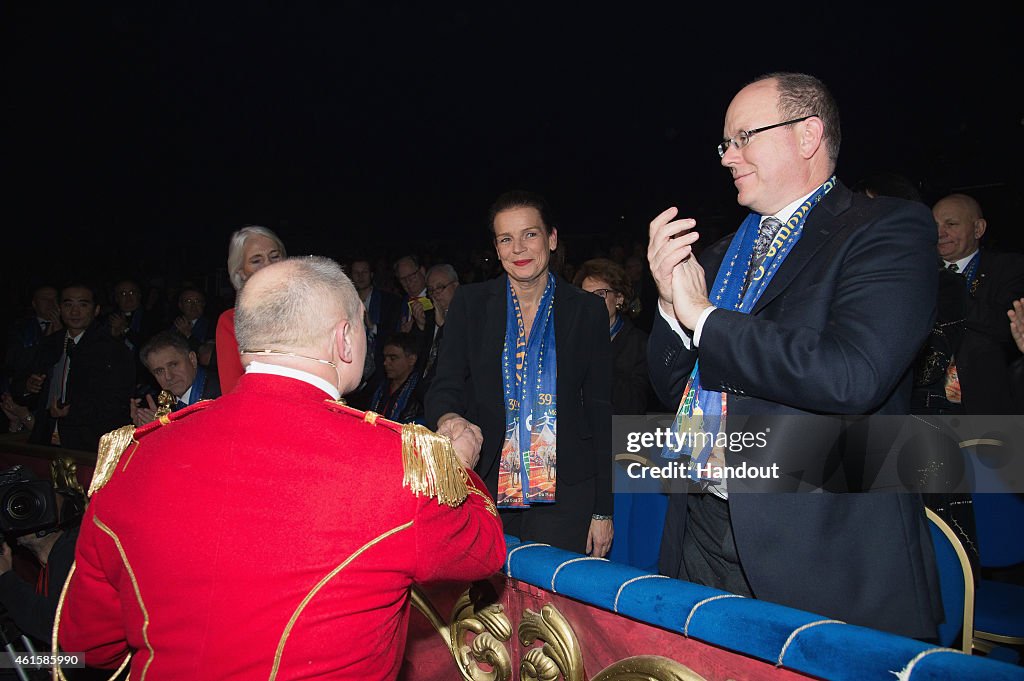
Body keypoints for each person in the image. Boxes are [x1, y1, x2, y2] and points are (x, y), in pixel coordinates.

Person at [58, 256, 505, 680]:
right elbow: (482, 551)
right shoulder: (396, 466)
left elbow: (90, 646)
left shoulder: (132, 458)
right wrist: (454, 465)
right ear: (344, 339)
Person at [646, 72, 941, 638]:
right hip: (704, 529)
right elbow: (676, 390)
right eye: (724, 143)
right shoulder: (721, 253)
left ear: (807, 135)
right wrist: (667, 308)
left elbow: (851, 374)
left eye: (744, 137)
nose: (728, 156)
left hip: (822, 546)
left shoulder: (885, 230)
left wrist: (703, 315)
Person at [427, 191, 614, 557]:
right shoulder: (470, 303)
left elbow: (601, 409)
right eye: (506, 239)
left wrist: (603, 509)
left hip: (567, 490)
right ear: (496, 250)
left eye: (530, 234)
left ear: (552, 239)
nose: (518, 249)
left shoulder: (586, 311)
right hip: (485, 483)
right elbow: (445, 383)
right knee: (488, 606)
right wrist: (449, 418)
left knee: (549, 605)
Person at [923, 193, 1024, 414]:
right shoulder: (918, 271)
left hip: (984, 404)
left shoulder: (1007, 268)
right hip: (925, 403)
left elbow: (1004, 325)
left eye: (951, 224)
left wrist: (944, 288)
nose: (940, 233)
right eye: (934, 225)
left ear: (978, 229)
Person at [215, 225, 286, 394]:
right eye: (256, 260)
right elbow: (232, 390)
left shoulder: (309, 306)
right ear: (241, 272)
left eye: (274, 256)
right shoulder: (230, 321)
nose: (268, 265)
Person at [574, 258, 650, 415]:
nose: (592, 302)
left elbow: (635, 404)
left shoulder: (639, 343)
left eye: (600, 294)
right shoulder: (572, 339)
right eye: (585, 296)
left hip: (620, 433)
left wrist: (598, 357)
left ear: (619, 298)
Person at [130, 330, 221, 425]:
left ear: (192, 359)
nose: (168, 377)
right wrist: (145, 431)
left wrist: (164, 432)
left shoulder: (222, 392)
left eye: (173, 365)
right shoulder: (161, 404)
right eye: (159, 371)